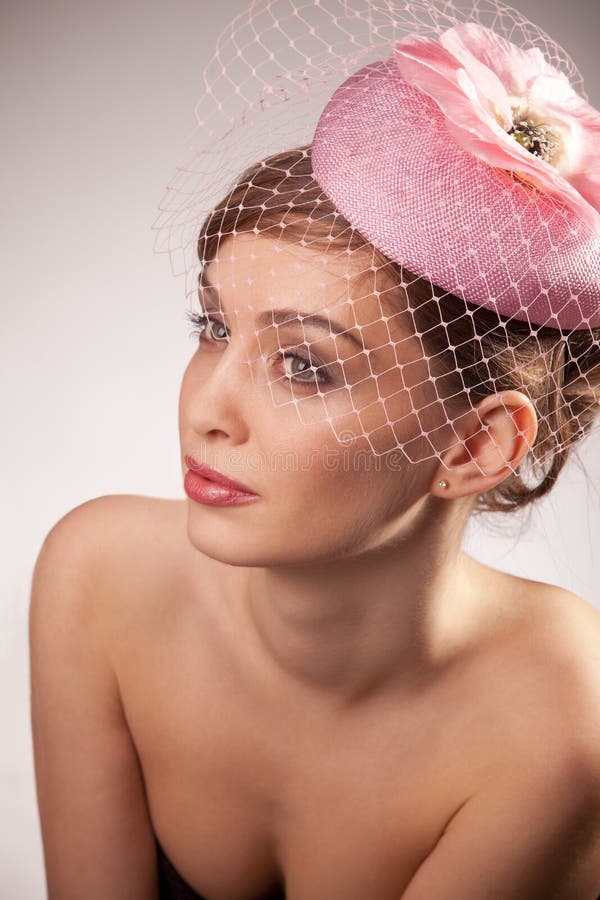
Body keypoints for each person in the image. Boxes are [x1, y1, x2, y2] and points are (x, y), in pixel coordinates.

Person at [29, 1, 600, 898]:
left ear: (477, 443)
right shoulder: (99, 577)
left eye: (303, 365)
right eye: (213, 326)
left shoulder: (565, 716)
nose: (206, 409)